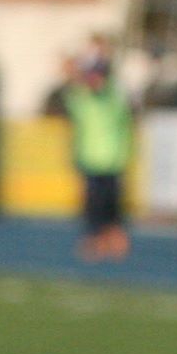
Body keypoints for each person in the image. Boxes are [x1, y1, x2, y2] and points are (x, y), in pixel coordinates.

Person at [61, 48, 133, 259]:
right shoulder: (82, 99)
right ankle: (97, 241)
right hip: (90, 160)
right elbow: (71, 95)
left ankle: (115, 238)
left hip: (112, 160)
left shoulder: (114, 99)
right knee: (94, 205)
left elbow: (123, 110)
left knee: (112, 205)